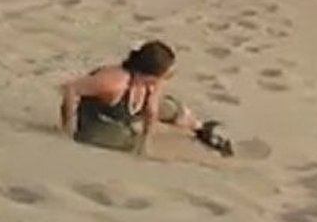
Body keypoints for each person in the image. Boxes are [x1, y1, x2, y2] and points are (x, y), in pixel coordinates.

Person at [59, 40, 233, 158]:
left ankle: (202, 129)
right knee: (124, 142)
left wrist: (146, 140)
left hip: (131, 106)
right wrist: (67, 125)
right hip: (100, 119)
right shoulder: (113, 82)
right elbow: (71, 89)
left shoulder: (154, 82)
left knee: (172, 109)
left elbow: (152, 108)